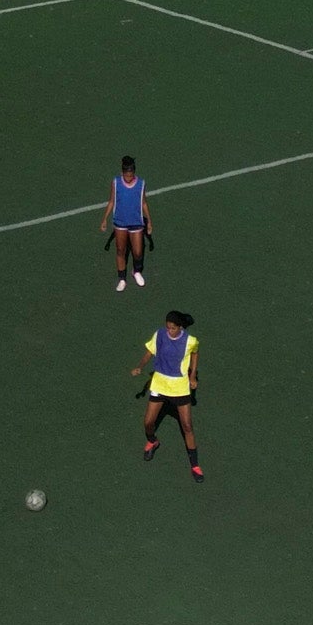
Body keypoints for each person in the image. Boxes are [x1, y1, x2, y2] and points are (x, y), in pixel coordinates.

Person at [135, 310, 205, 476]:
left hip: (180, 388)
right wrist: (140, 366)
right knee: (148, 423)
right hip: (160, 385)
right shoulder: (159, 334)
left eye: (172, 328)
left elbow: (195, 354)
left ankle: (195, 466)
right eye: (168, 328)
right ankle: (153, 441)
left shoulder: (190, 341)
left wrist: (193, 376)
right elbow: (149, 352)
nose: (169, 331)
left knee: (187, 426)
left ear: (180, 327)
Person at [104, 154, 151, 289]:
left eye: (131, 176)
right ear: (122, 173)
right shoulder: (116, 182)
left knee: (137, 252)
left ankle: (136, 271)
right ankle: (122, 278)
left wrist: (150, 222)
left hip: (136, 222)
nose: (128, 179)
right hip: (120, 222)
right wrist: (104, 219)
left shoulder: (141, 184)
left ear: (134, 173)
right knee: (120, 250)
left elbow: (144, 203)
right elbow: (111, 201)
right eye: (126, 176)